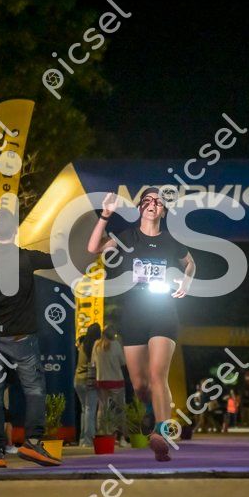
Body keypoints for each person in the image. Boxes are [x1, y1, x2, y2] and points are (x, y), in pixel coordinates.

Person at [87, 188, 195, 461]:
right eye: (147, 200)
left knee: (158, 375)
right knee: (140, 386)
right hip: (134, 313)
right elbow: (93, 248)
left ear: (163, 211)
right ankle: (152, 410)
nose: (152, 204)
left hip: (163, 311)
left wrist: (186, 281)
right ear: (140, 208)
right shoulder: (127, 237)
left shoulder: (170, 241)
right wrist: (105, 215)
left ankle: (161, 433)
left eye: (158, 202)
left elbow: (190, 263)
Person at [0, 208, 62, 468]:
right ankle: (32, 442)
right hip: (22, 337)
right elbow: (59, 260)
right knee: (34, 389)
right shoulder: (27, 258)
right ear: (15, 231)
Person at [92, 326, 129, 447]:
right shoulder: (116, 345)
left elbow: (93, 363)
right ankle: (121, 437)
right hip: (116, 381)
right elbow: (123, 362)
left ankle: (103, 433)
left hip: (101, 381)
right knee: (120, 410)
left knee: (102, 409)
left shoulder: (96, 345)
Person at [74, 323, 101, 447]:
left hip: (78, 380)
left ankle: (82, 439)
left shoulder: (82, 344)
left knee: (84, 410)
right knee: (90, 410)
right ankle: (88, 439)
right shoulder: (95, 346)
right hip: (89, 380)